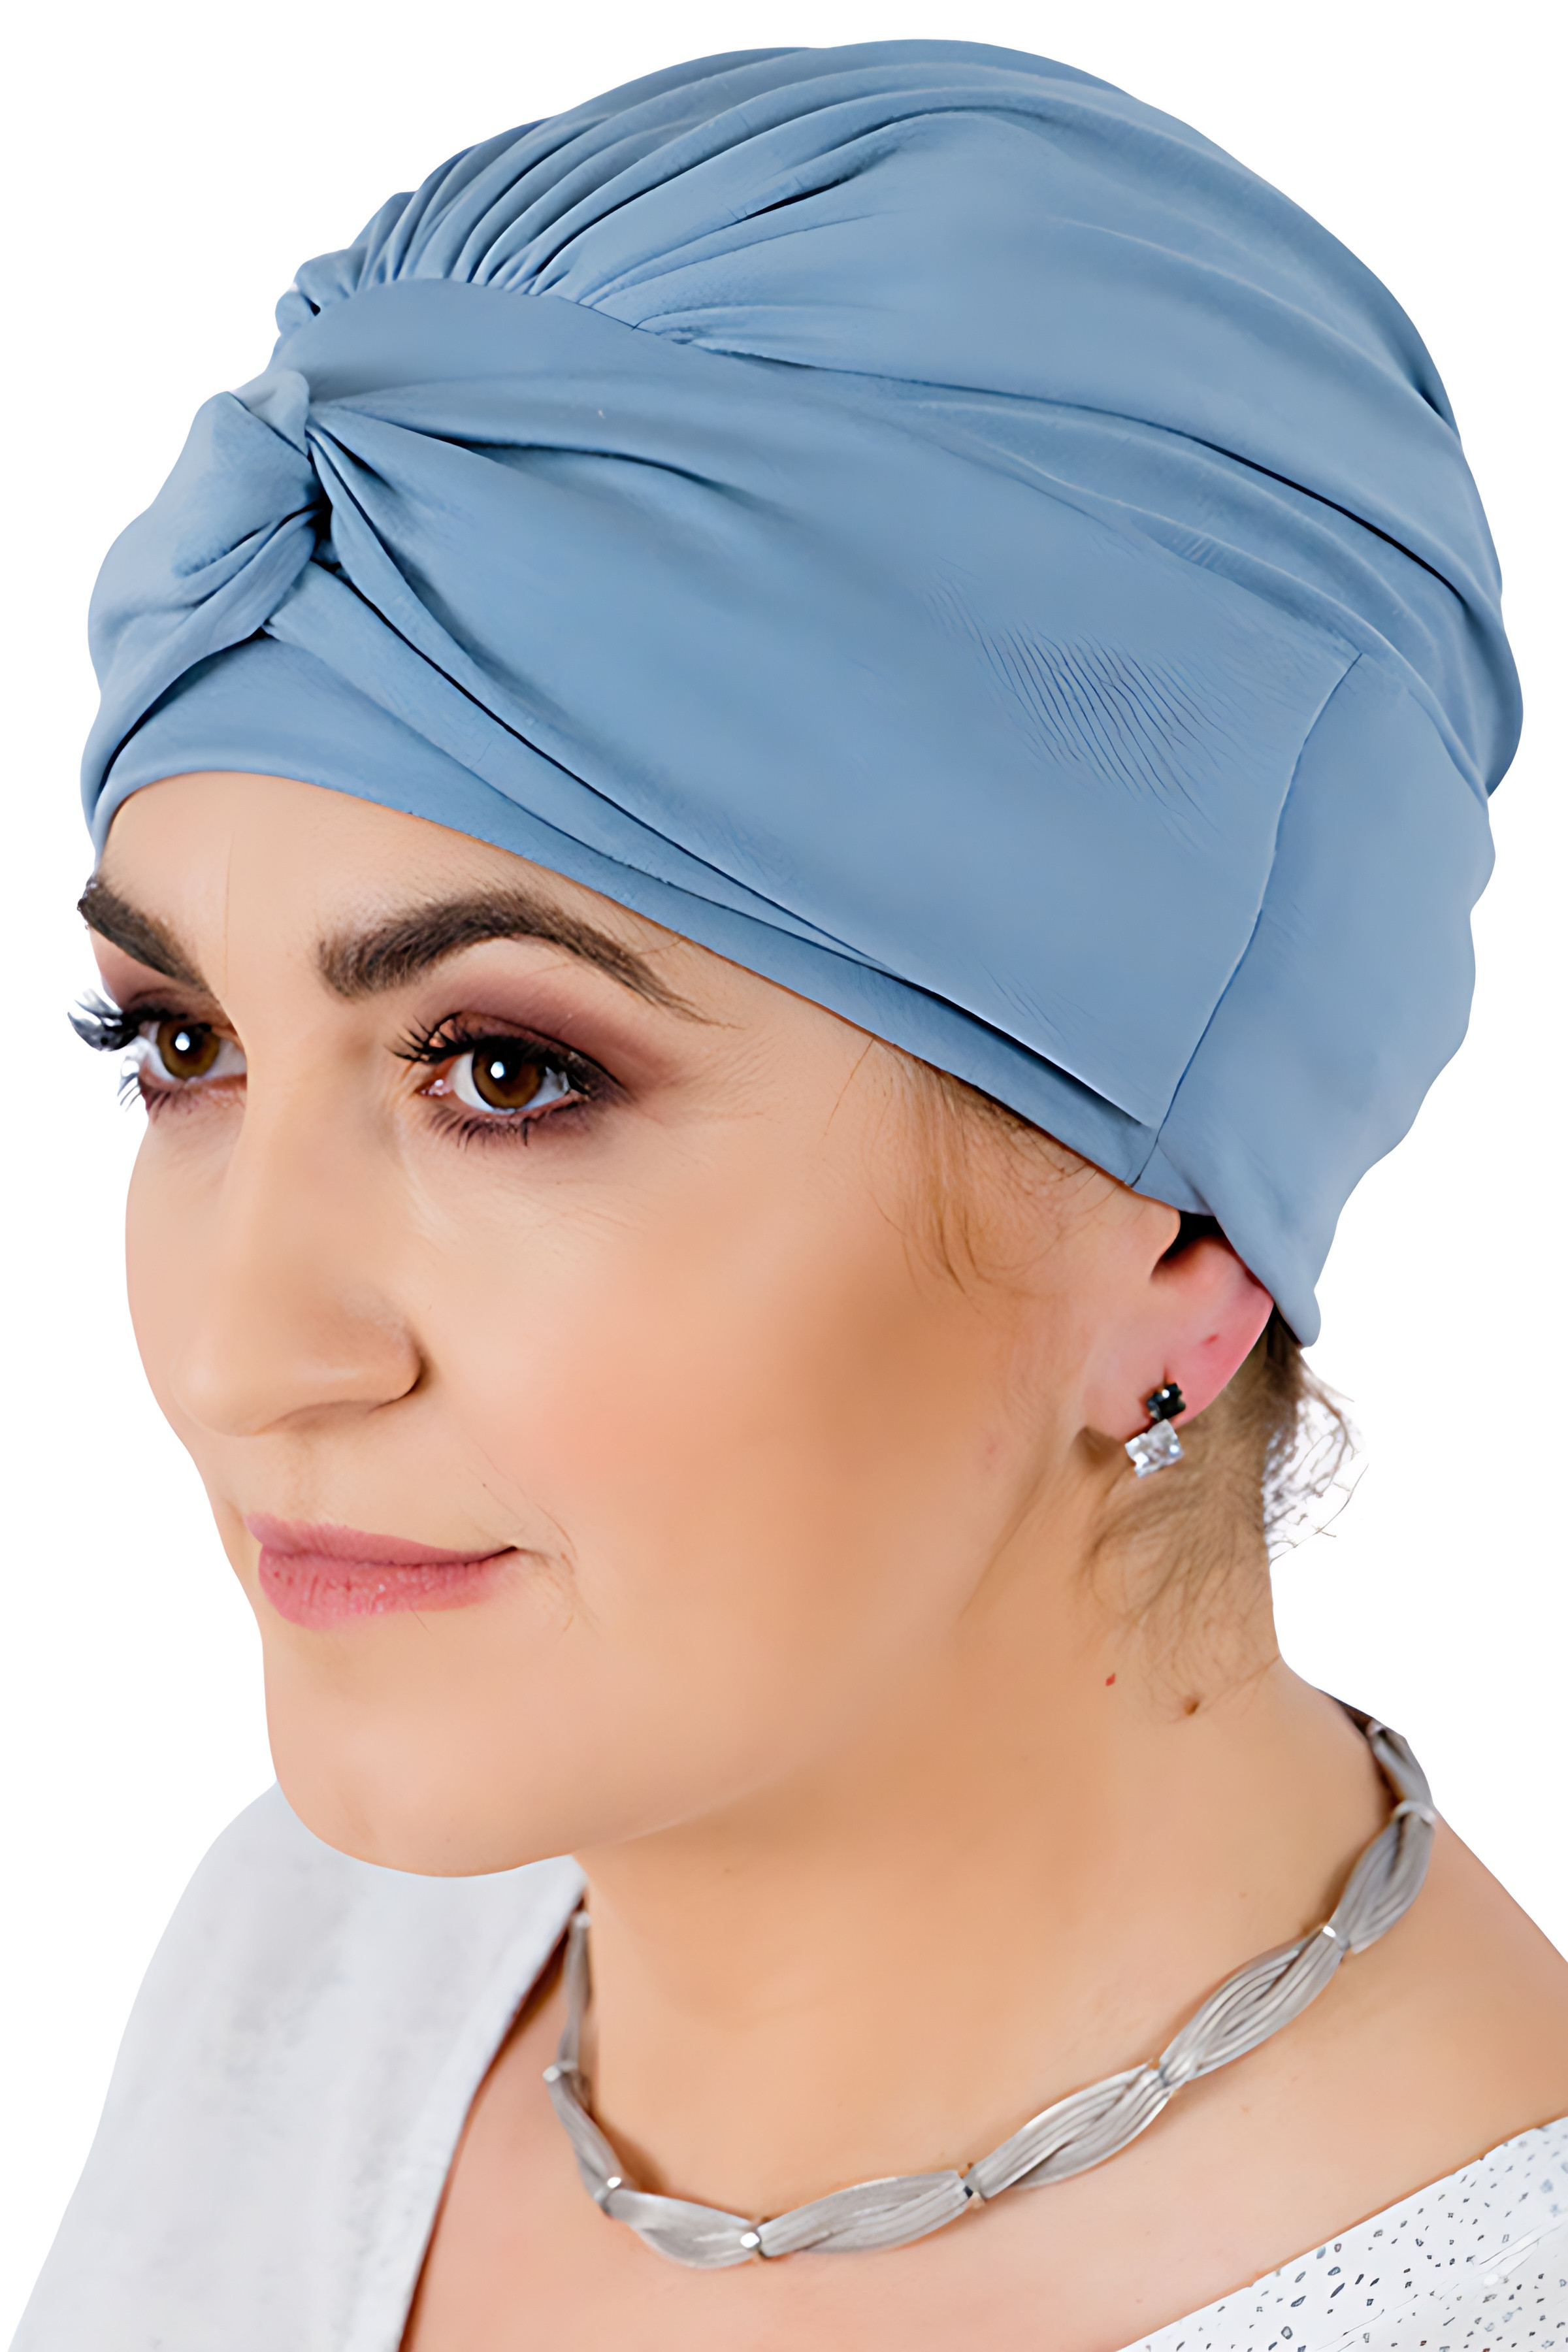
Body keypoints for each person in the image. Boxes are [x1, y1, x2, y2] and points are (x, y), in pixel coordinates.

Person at [15, 39, 1568, 2352]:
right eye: (185, 1047)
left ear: (1175, 1247)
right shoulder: (330, 1964)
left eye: (509, 1075)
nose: (242, 1356)